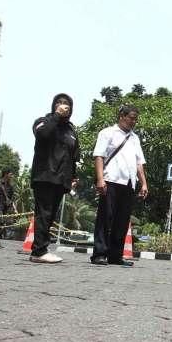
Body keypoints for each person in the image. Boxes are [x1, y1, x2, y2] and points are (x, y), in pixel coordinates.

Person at [90, 105, 148, 266]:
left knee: (122, 220)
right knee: (105, 217)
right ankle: (99, 254)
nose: (134, 122)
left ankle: (116, 255)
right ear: (122, 116)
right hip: (111, 180)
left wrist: (143, 184)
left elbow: (139, 163)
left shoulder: (135, 138)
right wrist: (100, 179)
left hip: (129, 183)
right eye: (131, 118)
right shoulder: (107, 133)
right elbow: (99, 156)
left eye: (136, 119)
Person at [30, 93, 80, 263]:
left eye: (66, 104)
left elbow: (74, 155)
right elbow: (43, 135)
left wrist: (73, 177)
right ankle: (38, 251)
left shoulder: (71, 130)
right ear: (53, 105)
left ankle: (41, 249)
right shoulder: (43, 121)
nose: (63, 105)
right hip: (45, 175)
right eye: (59, 103)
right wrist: (56, 116)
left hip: (61, 179)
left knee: (50, 215)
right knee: (43, 213)